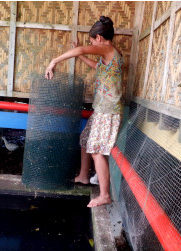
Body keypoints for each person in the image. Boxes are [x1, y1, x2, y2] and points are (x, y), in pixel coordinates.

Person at [44, 16, 122, 207]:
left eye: (92, 41)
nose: (91, 44)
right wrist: (80, 57)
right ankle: (83, 176)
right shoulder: (110, 55)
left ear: (100, 38)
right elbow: (97, 67)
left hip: (109, 111)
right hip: (101, 110)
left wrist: (54, 61)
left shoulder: (108, 49)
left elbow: (80, 48)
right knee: (86, 141)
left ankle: (104, 195)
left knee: (96, 150)